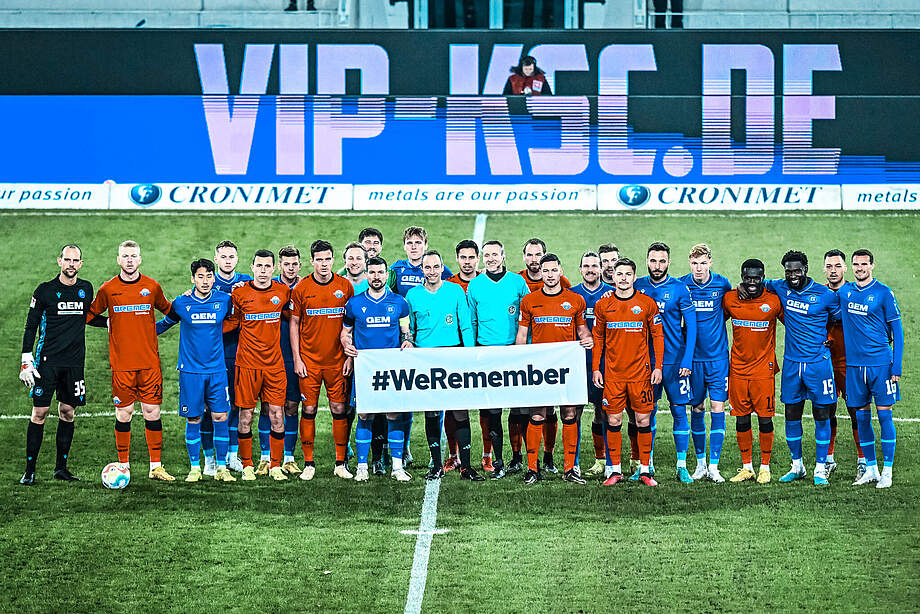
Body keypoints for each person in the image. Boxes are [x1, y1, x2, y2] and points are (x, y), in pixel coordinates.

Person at [87, 240, 174, 482]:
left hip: (149, 364)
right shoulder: (108, 289)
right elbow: (89, 315)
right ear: (118, 259)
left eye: (133, 256)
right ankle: (123, 465)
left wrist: (153, 330)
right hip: (122, 365)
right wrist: (108, 323)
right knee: (124, 413)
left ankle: (155, 466)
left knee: (152, 412)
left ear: (140, 259)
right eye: (125, 256)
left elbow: (171, 312)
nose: (129, 260)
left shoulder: (151, 287)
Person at [19, 245, 99, 485]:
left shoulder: (86, 289)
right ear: (59, 262)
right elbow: (31, 325)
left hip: (74, 364)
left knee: (67, 412)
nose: (71, 264)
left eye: (76, 260)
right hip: (47, 363)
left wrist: (114, 323)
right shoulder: (45, 291)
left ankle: (61, 469)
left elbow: (89, 317)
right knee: (40, 412)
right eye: (67, 260)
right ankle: (29, 470)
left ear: (81, 264)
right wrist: (26, 359)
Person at [155, 259, 235, 483]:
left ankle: (221, 468)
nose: (205, 281)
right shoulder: (181, 303)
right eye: (200, 277)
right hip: (191, 371)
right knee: (194, 418)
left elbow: (237, 317)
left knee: (220, 416)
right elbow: (164, 324)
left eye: (209, 276)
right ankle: (195, 468)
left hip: (217, 370)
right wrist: (138, 332)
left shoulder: (224, 300)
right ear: (192, 278)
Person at [765, 250, 841, 486]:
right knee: (791, 414)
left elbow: (839, 320)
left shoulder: (825, 294)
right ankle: (797, 465)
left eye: (797, 270)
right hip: (791, 364)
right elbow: (758, 283)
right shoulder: (780, 287)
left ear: (806, 268)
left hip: (818, 364)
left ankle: (820, 468)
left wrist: (829, 337)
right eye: (788, 271)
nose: (793, 275)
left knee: (821, 414)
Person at [516, 254, 593, 485]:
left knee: (569, 414)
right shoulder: (529, 301)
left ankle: (570, 469)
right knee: (537, 414)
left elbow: (583, 331)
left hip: (567, 368)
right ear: (541, 272)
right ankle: (532, 468)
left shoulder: (575, 300)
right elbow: (521, 336)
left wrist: (588, 339)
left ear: (560, 271)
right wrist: (520, 361)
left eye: (553, 270)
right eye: (546, 271)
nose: (550, 275)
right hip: (540, 370)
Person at [407, 250, 483, 481]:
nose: (432, 271)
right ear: (422, 270)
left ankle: (466, 466)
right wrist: (408, 344)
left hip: (453, 357)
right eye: (427, 267)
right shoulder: (412, 295)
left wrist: (469, 354)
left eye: (435, 267)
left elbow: (466, 325)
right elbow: (409, 329)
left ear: (442, 268)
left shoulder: (455, 290)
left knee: (459, 410)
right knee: (432, 411)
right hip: (426, 360)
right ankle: (436, 464)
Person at [592, 258, 664, 487]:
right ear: (612, 277)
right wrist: (596, 368)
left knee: (642, 420)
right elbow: (598, 338)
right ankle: (614, 470)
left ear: (635, 277)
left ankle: (645, 470)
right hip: (613, 375)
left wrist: (658, 366)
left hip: (640, 375)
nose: (623, 278)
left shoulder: (647, 304)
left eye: (627, 274)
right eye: (619, 274)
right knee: (612, 419)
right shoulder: (603, 306)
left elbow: (657, 337)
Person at [342, 256, 414, 482]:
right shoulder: (354, 303)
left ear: (386, 274)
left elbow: (406, 332)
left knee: (394, 414)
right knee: (365, 414)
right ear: (366, 274)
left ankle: (397, 467)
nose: (376, 277)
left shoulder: (399, 303)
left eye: (380, 272)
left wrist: (408, 341)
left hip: (391, 369)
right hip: (365, 369)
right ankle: (362, 466)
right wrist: (346, 345)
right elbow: (345, 332)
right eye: (371, 273)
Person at [223, 249, 291, 481]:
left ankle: (275, 465)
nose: (263, 271)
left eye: (267, 266)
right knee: (246, 416)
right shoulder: (240, 294)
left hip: (274, 366)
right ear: (251, 268)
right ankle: (248, 465)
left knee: (276, 415)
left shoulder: (282, 292)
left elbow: (296, 315)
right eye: (259, 266)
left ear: (274, 269)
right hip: (247, 365)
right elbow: (229, 323)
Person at [290, 240, 355, 480]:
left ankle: (340, 463)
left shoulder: (344, 286)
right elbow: (294, 324)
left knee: (339, 409)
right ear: (312, 261)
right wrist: (297, 358)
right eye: (319, 259)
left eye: (328, 259)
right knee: (309, 408)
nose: (324, 264)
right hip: (310, 362)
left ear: (333, 260)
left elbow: (352, 323)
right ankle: (309, 463)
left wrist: (349, 356)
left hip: (337, 361)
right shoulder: (302, 289)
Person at [389, 226, 453, 466]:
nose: (414, 246)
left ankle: (434, 452)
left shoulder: (441, 270)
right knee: (405, 398)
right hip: (402, 342)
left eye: (418, 242)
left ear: (425, 245)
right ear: (404, 245)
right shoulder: (395, 270)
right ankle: (403, 448)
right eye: (410, 242)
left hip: (429, 343)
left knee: (434, 399)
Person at [466, 240, 530, 479]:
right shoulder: (475, 285)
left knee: (519, 409)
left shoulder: (518, 282)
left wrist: (526, 349)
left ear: (503, 256)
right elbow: (471, 321)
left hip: (513, 353)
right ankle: (499, 461)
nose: (491, 258)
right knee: (492, 411)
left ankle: (518, 457)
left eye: (495, 254)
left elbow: (527, 318)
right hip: (487, 354)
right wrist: (474, 352)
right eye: (487, 254)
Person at [840, 250, 903, 489]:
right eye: (856, 264)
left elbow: (897, 331)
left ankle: (887, 471)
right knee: (861, 417)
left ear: (872, 266)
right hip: (855, 367)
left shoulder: (884, 293)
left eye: (864, 264)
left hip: (880, 365)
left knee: (885, 415)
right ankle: (871, 468)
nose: (859, 268)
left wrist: (895, 366)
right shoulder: (846, 292)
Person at [635, 242, 697, 483]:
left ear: (669, 262)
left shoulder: (680, 289)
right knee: (645, 413)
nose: (657, 266)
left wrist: (687, 359)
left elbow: (691, 327)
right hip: (645, 363)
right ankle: (646, 465)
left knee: (679, 411)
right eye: (653, 260)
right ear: (647, 261)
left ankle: (681, 465)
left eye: (662, 261)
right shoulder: (637, 286)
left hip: (674, 362)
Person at [722, 259, 782, 484]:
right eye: (748, 278)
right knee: (741, 419)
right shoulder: (730, 299)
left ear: (763, 277)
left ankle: (765, 467)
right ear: (742, 277)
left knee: (766, 420)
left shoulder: (774, 302)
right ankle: (747, 467)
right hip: (737, 370)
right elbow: (714, 320)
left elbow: (796, 323)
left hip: (763, 372)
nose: (752, 282)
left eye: (757, 278)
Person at [517, 238, 571, 474]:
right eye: (529, 255)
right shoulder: (519, 283)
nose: (534, 260)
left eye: (538, 255)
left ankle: (550, 458)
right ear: (524, 257)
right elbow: (521, 329)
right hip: (534, 360)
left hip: (561, 362)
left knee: (558, 412)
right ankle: (527, 463)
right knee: (531, 411)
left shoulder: (568, 289)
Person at [680, 243, 732, 483]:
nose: (698, 268)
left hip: (718, 359)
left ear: (711, 262)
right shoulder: (682, 284)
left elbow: (729, 310)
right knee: (697, 408)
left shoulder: (722, 284)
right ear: (689, 263)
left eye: (702, 263)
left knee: (717, 409)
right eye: (694, 263)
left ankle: (714, 466)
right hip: (693, 360)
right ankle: (700, 464)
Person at [570, 251, 614, 479]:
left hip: (604, 364)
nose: (590, 269)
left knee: (604, 412)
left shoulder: (611, 294)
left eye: (594, 265)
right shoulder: (572, 295)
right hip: (577, 365)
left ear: (601, 268)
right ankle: (574, 463)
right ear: (580, 269)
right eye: (586, 265)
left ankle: (604, 461)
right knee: (574, 413)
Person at [824, 249, 865, 479]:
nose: (833, 270)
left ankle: (862, 461)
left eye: (837, 266)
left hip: (850, 364)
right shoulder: (818, 293)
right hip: (824, 363)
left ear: (845, 268)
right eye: (829, 266)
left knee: (856, 413)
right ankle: (828, 459)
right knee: (826, 412)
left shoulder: (855, 293)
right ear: (824, 268)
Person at [212, 240, 252, 473]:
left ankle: (233, 454)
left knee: (239, 403)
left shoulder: (247, 281)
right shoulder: (207, 282)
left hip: (242, 351)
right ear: (216, 259)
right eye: (223, 257)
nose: (227, 260)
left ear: (237, 259)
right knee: (213, 407)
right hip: (215, 353)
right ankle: (211, 458)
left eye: (231, 257)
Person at [445, 239, 483, 472]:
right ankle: (452, 454)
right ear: (457, 259)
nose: (467, 262)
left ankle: (487, 455)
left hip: (481, 351)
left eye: (471, 257)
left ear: (477, 259)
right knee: (452, 405)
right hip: (455, 353)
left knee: (488, 406)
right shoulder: (448, 284)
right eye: (463, 258)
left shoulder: (486, 282)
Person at [272, 246, 304, 476]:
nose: (290, 268)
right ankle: (266, 457)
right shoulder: (269, 286)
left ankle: (289, 457)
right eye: (286, 264)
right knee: (269, 407)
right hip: (271, 357)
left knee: (292, 407)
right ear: (279, 265)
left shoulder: (306, 287)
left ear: (300, 265)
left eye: (294, 264)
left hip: (298, 357)